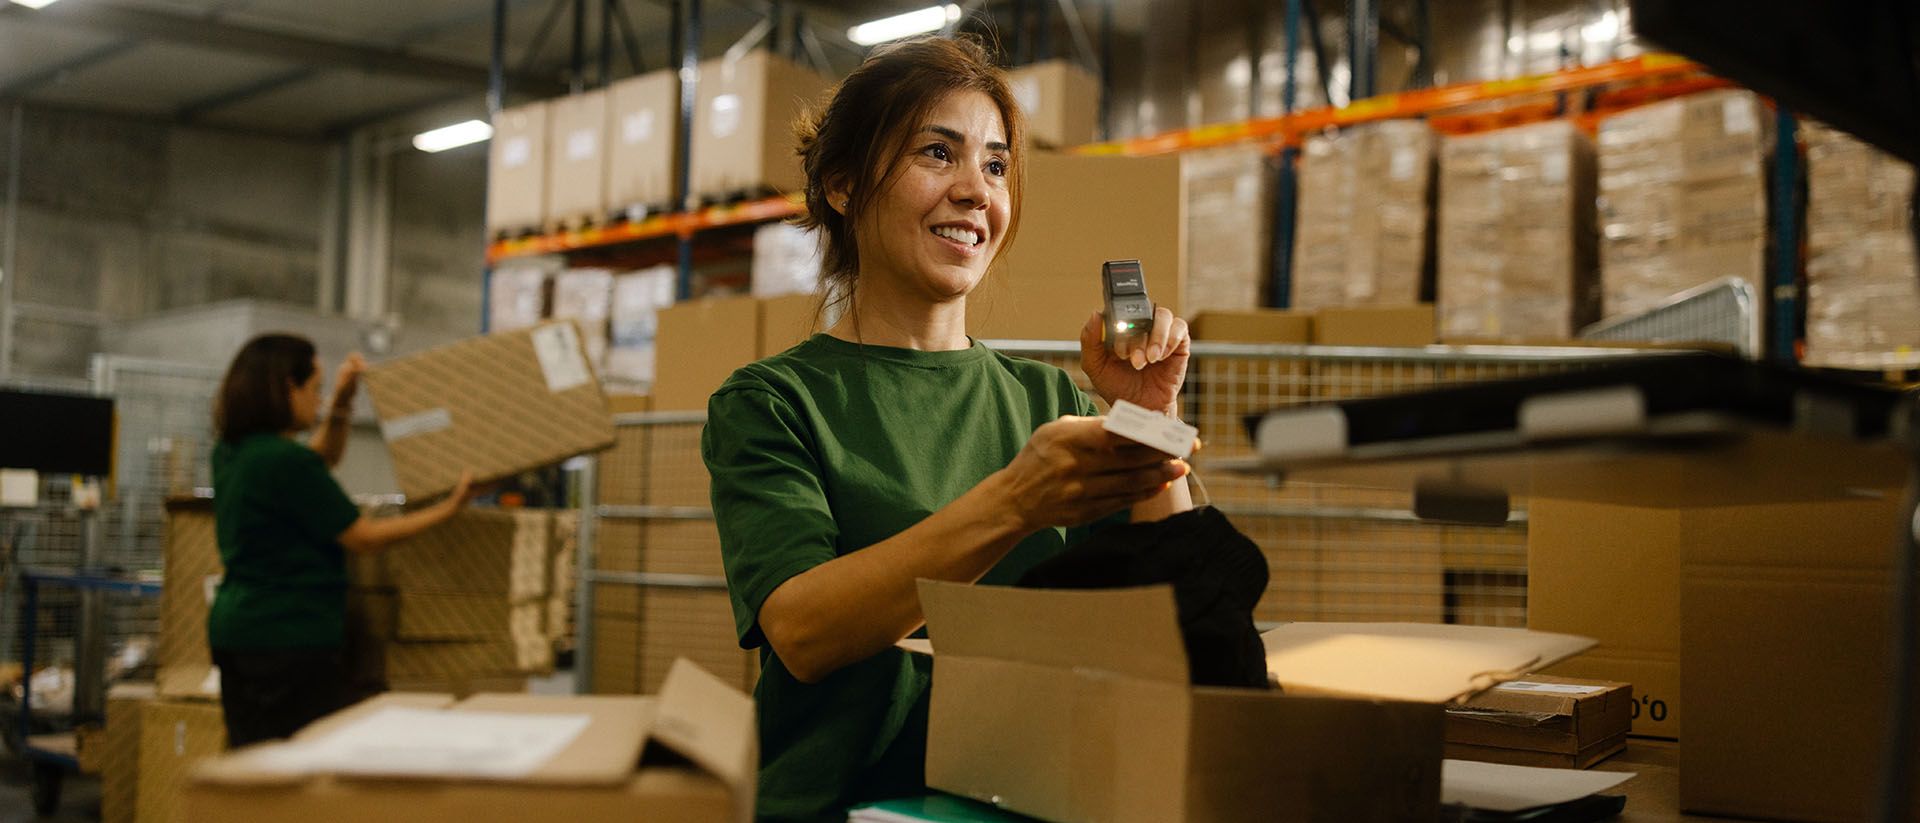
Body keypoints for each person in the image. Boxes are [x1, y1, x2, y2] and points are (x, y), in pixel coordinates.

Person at [702, 35, 1195, 821]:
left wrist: (1150, 416)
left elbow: (1174, 605)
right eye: (940, 153)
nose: (977, 191)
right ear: (842, 183)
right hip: (844, 804)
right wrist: (1017, 501)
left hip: (1029, 792)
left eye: (996, 166)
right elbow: (800, 628)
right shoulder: (773, 400)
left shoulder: (1043, 400)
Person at [208, 334, 474, 747]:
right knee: (307, 759)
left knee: (255, 756)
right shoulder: (284, 461)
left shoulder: (234, 452)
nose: (319, 401)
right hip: (288, 639)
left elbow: (322, 459)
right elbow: (364, 538)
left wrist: (344, 400)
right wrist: (448, 508)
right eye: (316, 389)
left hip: (238, 633)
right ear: (286, 389)